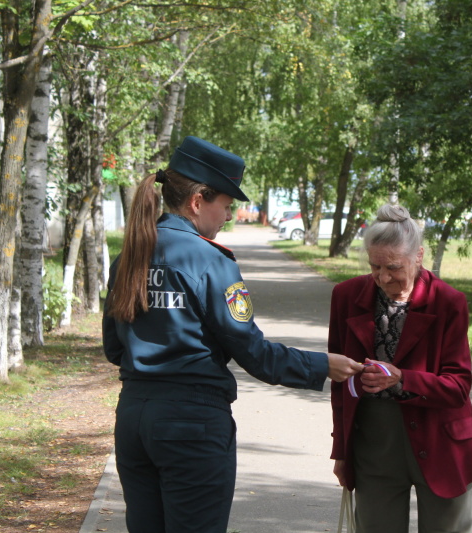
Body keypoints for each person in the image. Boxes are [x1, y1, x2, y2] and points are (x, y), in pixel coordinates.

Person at [102, 135, 363, 533]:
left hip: (134, 419)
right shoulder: (209, 261)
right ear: (197, 201)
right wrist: (320, 365)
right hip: (192, 426)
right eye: (225, 205)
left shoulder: (130, 256)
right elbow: (252, 352)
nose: (226, 216)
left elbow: (112, 347)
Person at [328, 204, 472, 533]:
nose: (383, 277)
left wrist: (403, 379)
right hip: (374, 443)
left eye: (393, 267)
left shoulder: (448, 302)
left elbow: (458, 387)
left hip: (442, 439)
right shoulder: (345, 296)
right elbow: (341, 386)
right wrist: (341, 450)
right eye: (375, 267)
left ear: (419, 256)